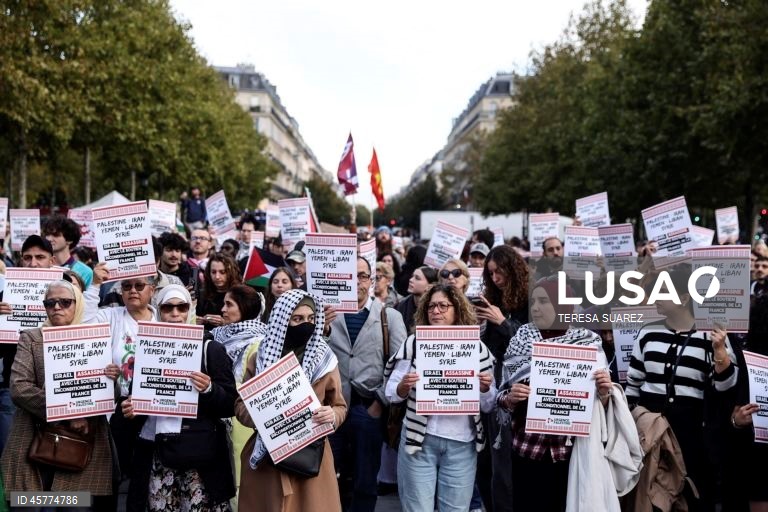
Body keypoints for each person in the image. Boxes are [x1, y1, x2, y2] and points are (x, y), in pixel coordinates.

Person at [626, 267, 738, 512]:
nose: (655, 296)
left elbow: (726, 386)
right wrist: (629, 425)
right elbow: (633, 384)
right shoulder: (647, 332)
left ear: (684, 298)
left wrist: (720, 351)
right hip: (650, 433)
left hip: (691, 435)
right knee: (649, 497)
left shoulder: (712, 334)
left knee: (689, 497)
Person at [1, 280, 120, 509]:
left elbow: (107, 396)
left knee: (74, 505)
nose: (56, 307)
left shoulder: (95, 339)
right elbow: (19, 388)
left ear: (78, 304)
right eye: (50, 303)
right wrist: (68, 414)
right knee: (28, 505)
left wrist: (111, 380)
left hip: (82, 446)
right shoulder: (31, 338)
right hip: (33, 441)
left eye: (65, 302)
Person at [496, 278, 611, 511]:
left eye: (544, 301)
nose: (536, 308)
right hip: (528, 450)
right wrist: (510, 398)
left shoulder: (588, 343)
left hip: (571, 454)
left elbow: (603, 403)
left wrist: (604, 391)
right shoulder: (521, 338)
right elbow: (501, 395)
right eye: (533, 302)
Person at [121, 285, 236, 512]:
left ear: (189, 310)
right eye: (168, 308)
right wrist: (130, 409)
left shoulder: (210, 349)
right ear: (159, 311)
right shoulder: (146, 349)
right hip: (156, 456)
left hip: (199, 459)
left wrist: (209, 389)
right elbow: (138, 401)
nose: (175, 314)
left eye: (181, 307)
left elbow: (230, 403)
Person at [385, 284, 496, 512]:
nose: (436, 311)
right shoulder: (414, 343)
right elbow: (391, 393)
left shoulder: (476, 348)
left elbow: (488, 405)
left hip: (461, 444)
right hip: (419, 441)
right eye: (431, 306)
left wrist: (485, 389)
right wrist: (403, 387)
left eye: (443, 306)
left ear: (458, 310)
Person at [235, 289, 346, 512]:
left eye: (311, 319)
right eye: (297, 319)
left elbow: (339, 407)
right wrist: (264, 417)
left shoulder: (324, 360)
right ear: (282, 321)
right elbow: (240, 405)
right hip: (267, 460)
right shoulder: (261, 357)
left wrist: (331, 415)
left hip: (310, 459)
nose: (306, 324)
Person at [327, 257, 407, 512]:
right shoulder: (327, 315)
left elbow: (400, 365)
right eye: (349, 275)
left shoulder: (389, 316)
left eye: (362, 276)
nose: (356, 282)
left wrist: (379, 404)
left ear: (371, 280)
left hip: (368, 408)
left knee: (365, 478)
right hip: (332, 409)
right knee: (330, 476)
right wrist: (321, 328)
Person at [85, 264, 158, 479]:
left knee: (146, 477)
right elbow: (83, 323)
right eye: (127, 286)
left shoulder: (163, 320)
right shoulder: (112, 316)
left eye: (139, 285)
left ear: (152, 290)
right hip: (118, 408)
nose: (132, 290)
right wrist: (95, 284)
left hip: (154, 410)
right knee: (112, 476)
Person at [473, 245, 529, 512]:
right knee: (486, 460)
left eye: (499, 272)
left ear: (512, 268)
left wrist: (502, 322)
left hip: (520, 386)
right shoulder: (491, 298)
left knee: (510, 462)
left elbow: (533, 342)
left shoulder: (531, 298)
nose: (495, 278)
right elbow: (485, 347)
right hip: (492, 384)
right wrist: (479, 326)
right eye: (491, 273)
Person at [210, 284, 267, 494]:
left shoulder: (261, 343)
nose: (223, 309)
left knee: (241, 486)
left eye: (229, 304)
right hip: (217, 420)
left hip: (243, 423)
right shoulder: (215, 336)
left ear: (244, 307)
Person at [42, 215, 94, 288]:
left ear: (69, 240)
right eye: (47, 235)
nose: (49, 239)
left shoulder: (85, 271)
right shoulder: (40, 266)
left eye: (55, 235)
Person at [197, 253, 242, 331]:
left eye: (222, 272)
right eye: (213, 272)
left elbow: (246, 325)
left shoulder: (240, 295)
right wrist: (194, 320)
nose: (217, 277)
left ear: (231, 272)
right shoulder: (201, 295)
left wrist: (225, 323)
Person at [395, 266, 438, 335]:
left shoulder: (436, 308)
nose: (411, 280)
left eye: (417, 278)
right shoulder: (401, 305)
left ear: (430, 286)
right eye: (412, 276)